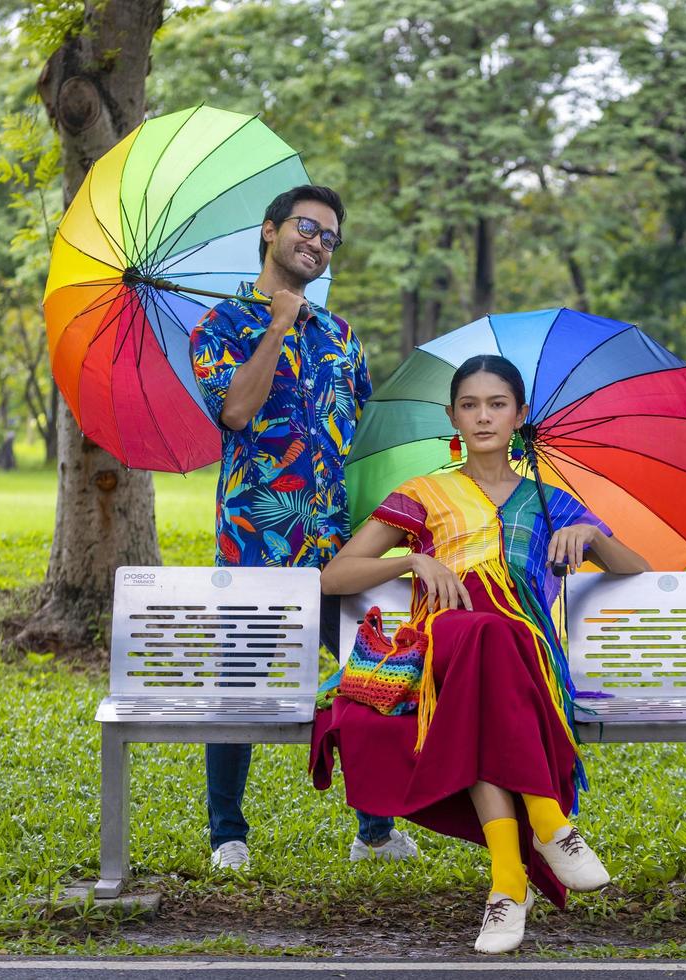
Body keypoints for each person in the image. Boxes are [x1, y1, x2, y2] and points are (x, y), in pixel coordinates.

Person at [311, 354, 650, 953]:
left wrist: (593, 537)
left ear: (520, 416)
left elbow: (638, 570)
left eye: (497, 405)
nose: (483, 416)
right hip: (443, 643)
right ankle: (549, 826)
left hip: (527, 659)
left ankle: (506, 886)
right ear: (452, 416)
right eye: (470, 405)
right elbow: (335, 575)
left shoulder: (551, 502)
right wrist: (413, 559)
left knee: (498, 650)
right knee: (486, 635)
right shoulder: (424, 492)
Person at [189, 184, 417, 872]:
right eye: (306, 228)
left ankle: (375, 831)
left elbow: (366, 435)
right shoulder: (220, 326)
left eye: (329, 238)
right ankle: (227, 835)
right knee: (240, 689)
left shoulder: (341, 337)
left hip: (337, 546)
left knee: (372, 679)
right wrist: (279, 324)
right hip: (258, 544)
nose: (317, 243)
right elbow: (234, 412)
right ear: (270, 231)